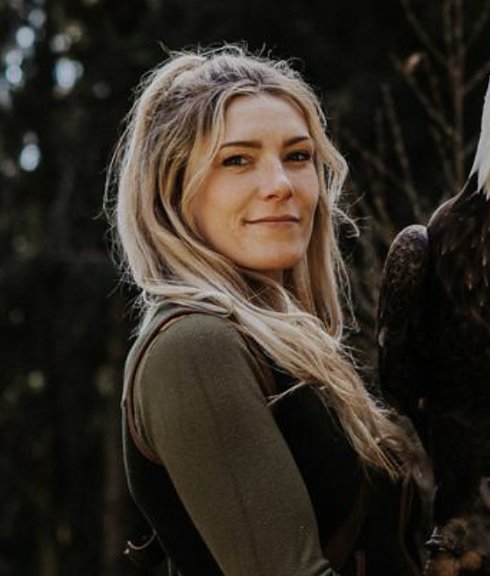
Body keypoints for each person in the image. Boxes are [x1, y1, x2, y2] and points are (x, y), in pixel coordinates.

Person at [105, 46, 422, 576]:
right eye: (237, 160)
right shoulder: (194, 349)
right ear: (171, 190)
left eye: (297, 156)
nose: (280, 185)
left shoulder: (279, 352)